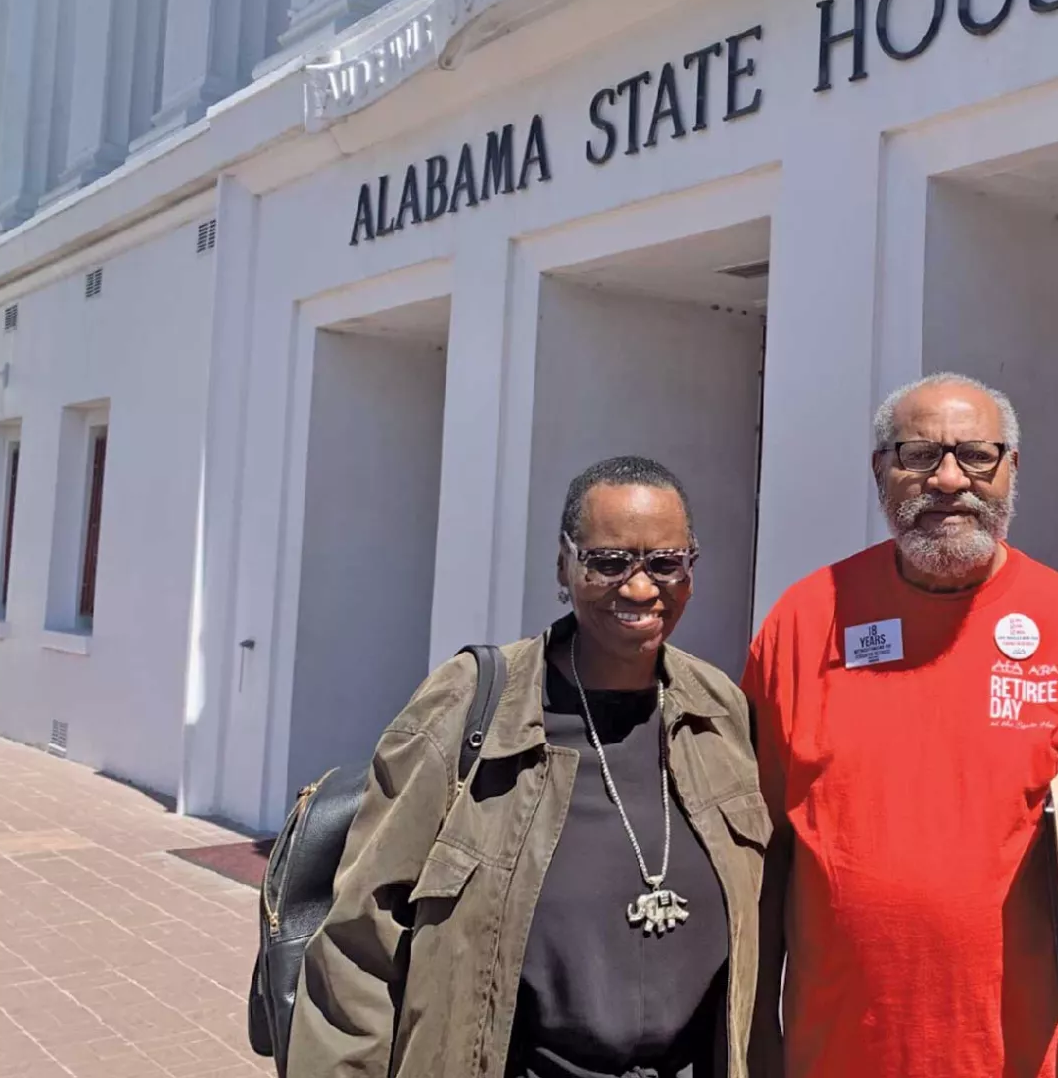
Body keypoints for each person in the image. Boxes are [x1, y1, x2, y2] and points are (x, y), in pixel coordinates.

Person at [288, 456, 769, 1078]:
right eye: (608, 562)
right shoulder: (471, 706)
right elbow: (359, 944)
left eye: (665, 563)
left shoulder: (719, 710)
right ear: (562, 568)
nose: (641, 588)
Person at [745, 373, 1058, 1078]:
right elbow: (762, 856)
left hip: (1027, 1059)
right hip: (833, 1054)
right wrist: (755, 1043)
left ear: (1010, 469)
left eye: (976, 455)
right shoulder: (804, 621)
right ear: (881, 471)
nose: (949, 479)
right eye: (919, 456)